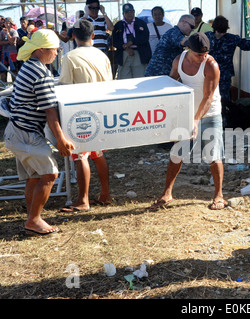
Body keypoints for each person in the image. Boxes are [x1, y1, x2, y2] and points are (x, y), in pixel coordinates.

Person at [4, 29, 75, 235]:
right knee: (50, 174)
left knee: (34, 177)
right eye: (55, 49)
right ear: (42, 49)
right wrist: (61, 140)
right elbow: (49, 111)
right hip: (26, 133)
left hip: (16, 130)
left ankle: (32, 218)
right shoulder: (41, 73)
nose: (56, 53)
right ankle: (34, 220)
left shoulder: (29, 66)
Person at [148, 32, 226, 211]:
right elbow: (172, 82)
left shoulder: (211, 65)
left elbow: (208, 97)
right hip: (187, 112)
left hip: (210, 114)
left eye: (206, 54)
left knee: (213, 156)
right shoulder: (179, 60)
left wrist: (196, 120)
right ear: (188, 49)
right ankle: (167, 193)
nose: (203, 57)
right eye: (199, 54)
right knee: (177, 153)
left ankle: (219, 195)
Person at [58, 19, 113, 213]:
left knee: (80, 155)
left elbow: (64, 87)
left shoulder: (69, 57)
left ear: (73, 36)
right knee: (98, 153)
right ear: (94, 35)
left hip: (80, 110)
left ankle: (83, 200)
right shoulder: (102, 55)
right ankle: (105, 194)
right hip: (102, 109)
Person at [205, 15, 250, 103]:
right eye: (220, 32)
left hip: (225, 73)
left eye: (224, 31)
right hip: (208, 72)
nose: (222, 34)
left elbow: (243, 44)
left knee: (224, 96)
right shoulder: (206, 37)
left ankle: (225, 115)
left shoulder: (231, 38)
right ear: (215, 29)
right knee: (208, 95)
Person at [112, 3, 151, 79]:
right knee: (124, 78)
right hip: (124, 53)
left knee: (140, 77)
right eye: (127, 12)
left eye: (131, 12)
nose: (129, 14)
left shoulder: (141, 23)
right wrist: (126, 47)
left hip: (139, 53)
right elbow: (114, 40)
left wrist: (132, 42)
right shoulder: (118, 25)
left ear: (134, 12)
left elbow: (145, 37)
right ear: (123, 14)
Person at [0, 17, 19, 83]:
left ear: (11, 24)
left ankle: (15, 85)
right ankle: (3, 85)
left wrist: (8, 33)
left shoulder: (14, 31)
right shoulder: (2, 32)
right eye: (6, 23)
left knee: (13, 70)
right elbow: (1, 42)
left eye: (8, 23)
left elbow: (13, 42)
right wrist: (8, 42)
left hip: (12, 52)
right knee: (3, 71)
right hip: (4, 52)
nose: (7, 25)